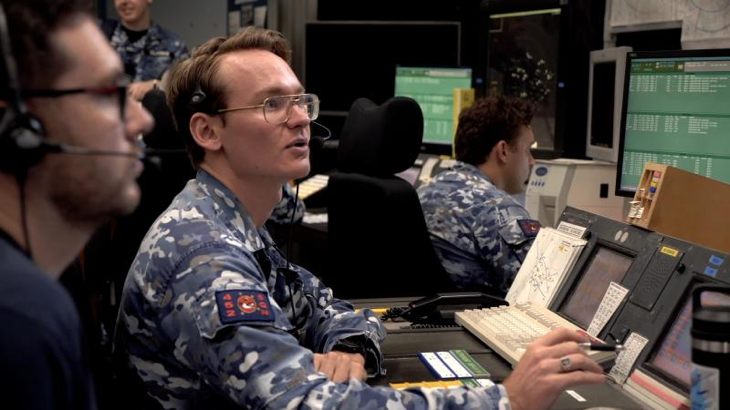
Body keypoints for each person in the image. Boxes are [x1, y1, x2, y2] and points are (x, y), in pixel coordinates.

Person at [114, 27, 604, 409]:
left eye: (301, 101)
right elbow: (305, 404)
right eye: (272, 104)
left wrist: (352, 347)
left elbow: (334, 309)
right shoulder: (205, 254)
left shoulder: (242, 232)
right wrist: (506, 400)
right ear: (208, 131)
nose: (301, 118)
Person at [0, 0, 154, 408]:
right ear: (17, 128)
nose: (142, 122)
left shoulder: (53, 284)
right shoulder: (21, 317)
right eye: (108, 94)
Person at [418, 96, 540, 297]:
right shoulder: (499, 209)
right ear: (503, 151)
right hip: (478, 322)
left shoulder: (425, 190)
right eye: (527, 150)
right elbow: (540, 290)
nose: (532, 161)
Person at [103, 0, 189, 100]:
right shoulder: (99, 40)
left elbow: (187, 88)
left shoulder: (173, 45)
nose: (124, 1)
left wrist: (157, 85)